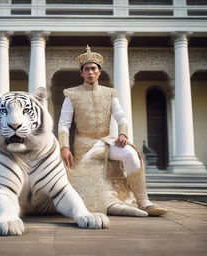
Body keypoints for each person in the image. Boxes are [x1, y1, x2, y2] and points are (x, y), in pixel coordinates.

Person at [58, 45, 168, 216]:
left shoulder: (110, 93)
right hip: (85, 145)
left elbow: (121, 117)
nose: (90, 72)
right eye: (86, 69)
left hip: (106, 140)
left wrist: (123, 134)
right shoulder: (71, 94)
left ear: (99, 72)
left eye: (93, 69)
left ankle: (144, 201)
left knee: (131, 154)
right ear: (81, 73)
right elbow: (64, 124)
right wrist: (64, 147)